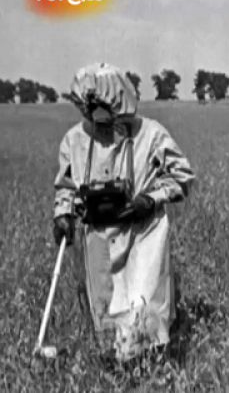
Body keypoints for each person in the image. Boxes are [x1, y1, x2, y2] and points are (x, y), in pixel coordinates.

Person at [52, 62, 195, 363]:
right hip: (98, 233)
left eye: (107, 111)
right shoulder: (74, 140)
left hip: (143, 230)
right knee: (105, 302)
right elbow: (65, 186)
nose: (101, 121)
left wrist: (151, 198)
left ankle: (150, 363)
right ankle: (114, 364)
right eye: (93, 112)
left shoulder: (151, 134)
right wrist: (63, 213)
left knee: (142, 299)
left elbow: (183, 177)